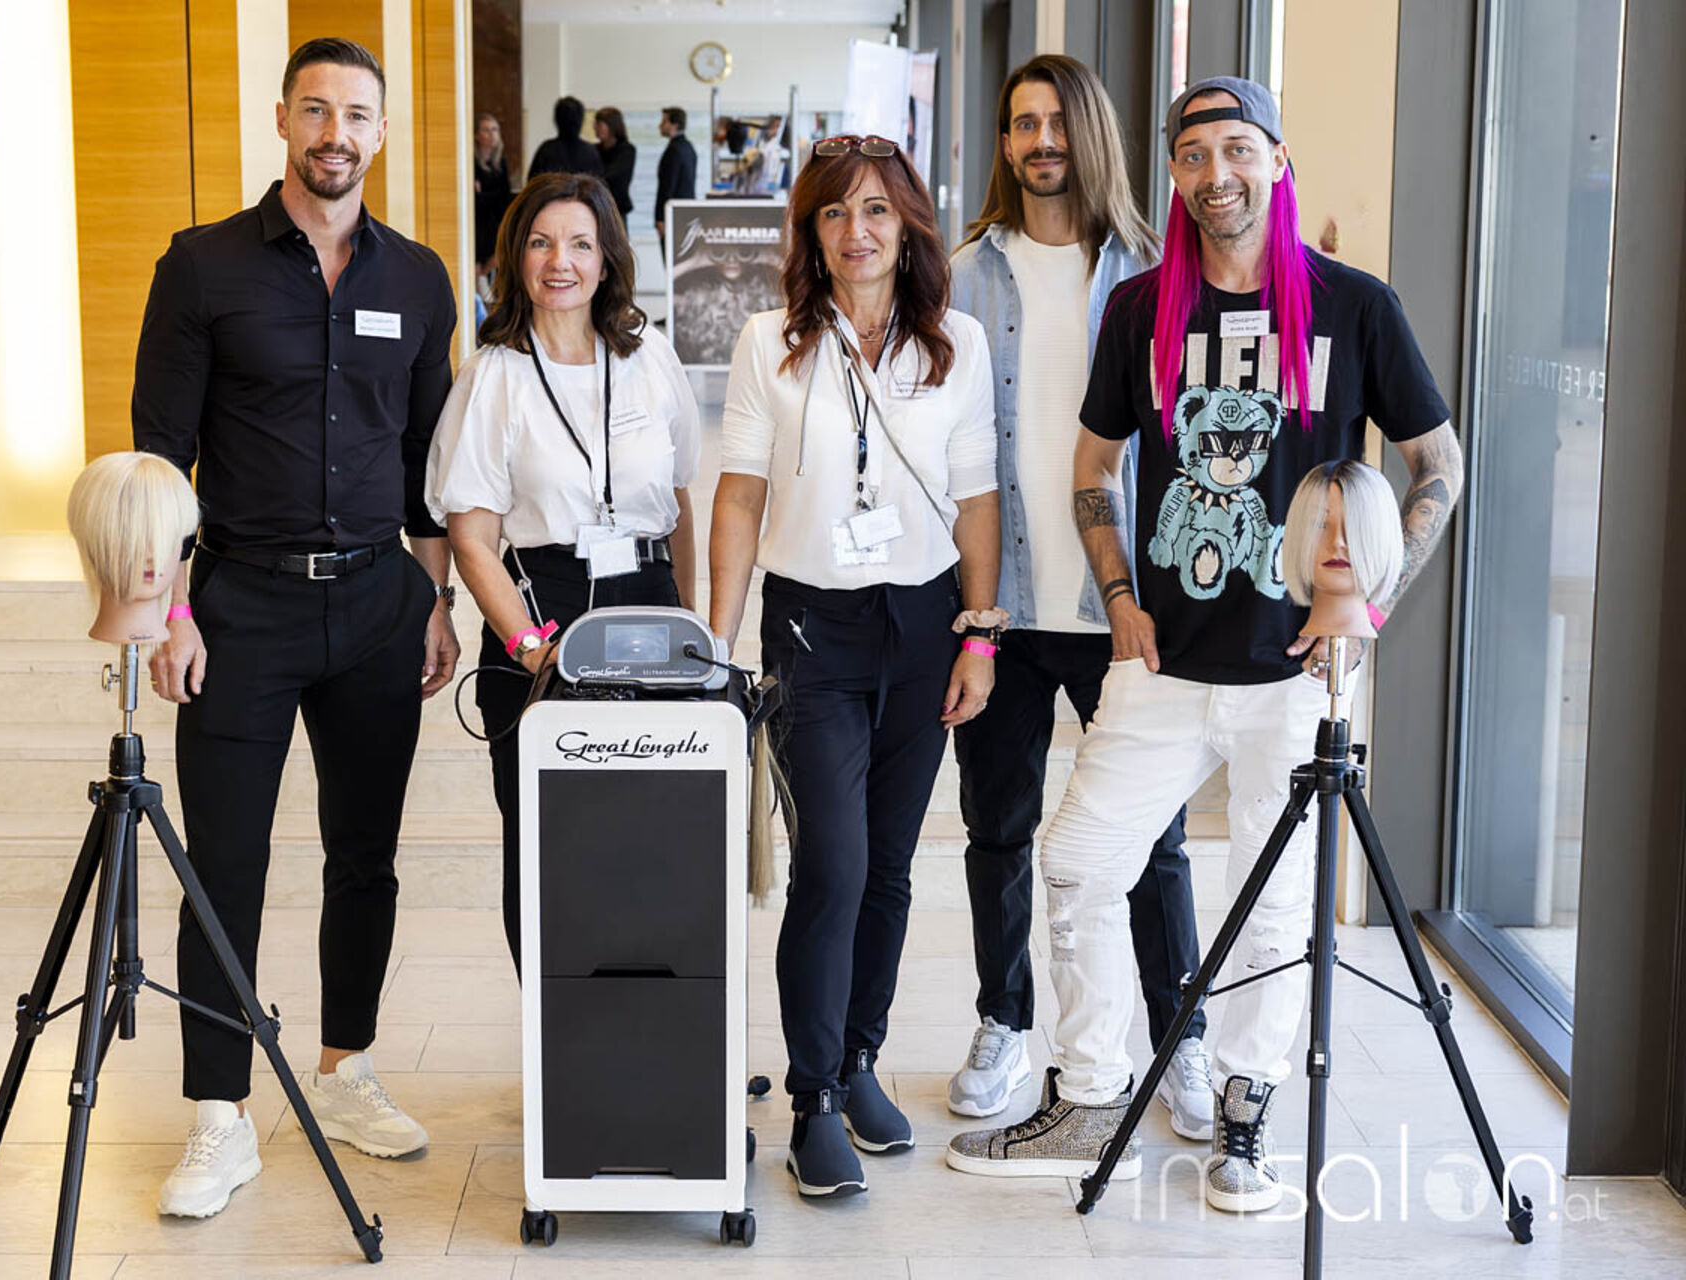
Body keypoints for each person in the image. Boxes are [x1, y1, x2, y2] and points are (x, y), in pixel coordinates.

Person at [946, 77, 1463, 1215]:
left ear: (1276, 160)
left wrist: (1367, 606)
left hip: (1298, 672)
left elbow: (1438, 463)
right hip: (1161, 664)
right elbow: (1093, 464)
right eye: (1193, 154)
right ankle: (1092, 1092)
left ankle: (1245, 1110)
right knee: (1080, 864)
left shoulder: (1352, 306)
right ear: (1173, 174)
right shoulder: (1143, 308)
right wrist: (1116, 591)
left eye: (1237, 148)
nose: (1216, 173)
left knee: (1274, 905)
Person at [133, 36, 461, 1220]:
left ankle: (344, 1068)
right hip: (240, 607)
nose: (336, 133)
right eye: (316, 110)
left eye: (357, 114)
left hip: (378, 602)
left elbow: (429, 459)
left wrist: (435, 598)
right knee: (223, 862)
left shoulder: (417, 278)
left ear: (382, 132)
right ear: (282, 120)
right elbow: (160, 452)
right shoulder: (201, 265)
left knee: (364, 852)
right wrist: (170, 610)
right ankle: (219, 1113)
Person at [709, 134, 1001, 1201]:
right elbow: (740, 493)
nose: (856, 230)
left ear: (909, 223)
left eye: (876, 209)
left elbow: (978, 495)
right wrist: (717, 641)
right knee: (831, 863)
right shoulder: (770, 342)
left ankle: (862, 1057)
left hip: (923, 625)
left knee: (887, 866)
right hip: (811, 631)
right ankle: (814, 1097)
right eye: (834, 212)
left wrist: (978, 635)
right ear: (811, 232)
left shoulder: (955, 342)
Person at [942, 53, 1214, 1141]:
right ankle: (1004, 1021)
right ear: (1005, 142)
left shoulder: (1157, 273)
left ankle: (1180, 1037)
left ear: (1091, 133)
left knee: (1151, 841)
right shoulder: (962, 274)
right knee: (997, 829)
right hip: (1003, 607)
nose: (1041, 140)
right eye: (1022, 123)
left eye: (1057, 121)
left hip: (1126, 611)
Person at [428, 172, 700, 969]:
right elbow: (472, 537)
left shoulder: (649, 356)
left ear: (608, 258)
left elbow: (680, 501)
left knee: (657, 845)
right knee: (549, 852)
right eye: (542, 243)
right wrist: (529, 650)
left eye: (581, 244)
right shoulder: (494, 374)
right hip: (540, 617)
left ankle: (655, 1022)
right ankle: (562, 1034)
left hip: (648, 614)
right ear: (517, 256)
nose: (561, 262)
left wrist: (692, 631)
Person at [475, 111, 514, 287]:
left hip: (495, 220)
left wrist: (483, 194)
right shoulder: (472, 163)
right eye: (486, 130)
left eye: (494, 130)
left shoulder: (500, 163)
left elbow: (504, 197)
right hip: (478, 222)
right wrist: (487, 196)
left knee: (502, 250)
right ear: (476, 135)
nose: (491, 135)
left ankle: (483, 282)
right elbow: (475, 201)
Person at [654, 106, 698, 246]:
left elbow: (667, 186)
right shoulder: (688, 147)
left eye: (664, 121)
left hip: (672, 217)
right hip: (685, 214)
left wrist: (661, 218)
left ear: (675, 125)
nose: (660, 125)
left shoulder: (674, 150)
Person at [529, 95, 602, 179]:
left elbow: (532, 183)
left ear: (556, 119)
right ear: (581, 120)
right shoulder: (591, 153)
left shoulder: (546, 151)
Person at [593, 107, 636, 223]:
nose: (595, 128)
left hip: (617, 209)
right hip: (596, 207)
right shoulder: (594, 149)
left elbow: (611, 176)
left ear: (612, 126)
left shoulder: (627, 150)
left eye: (599, 124)